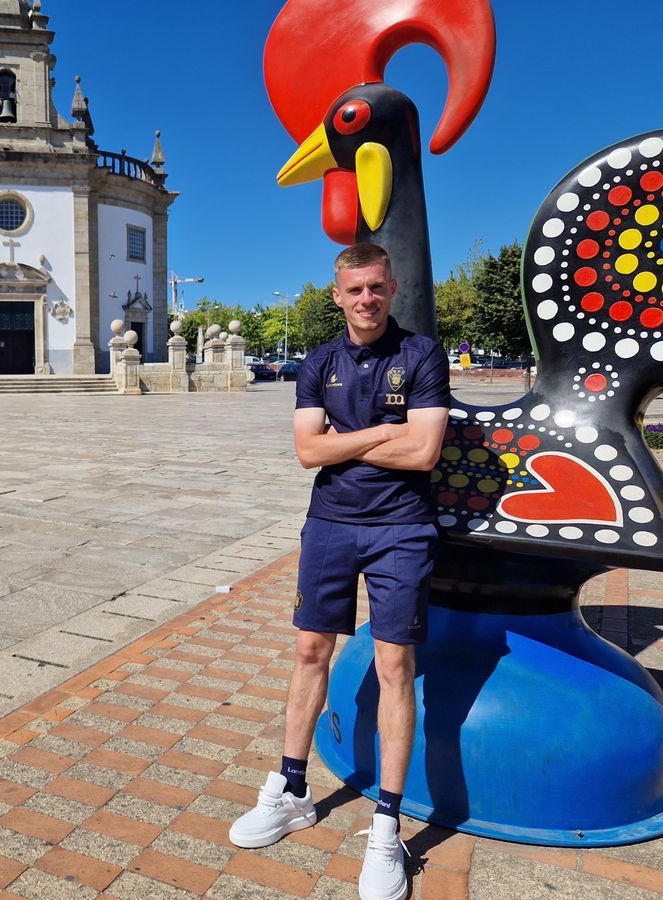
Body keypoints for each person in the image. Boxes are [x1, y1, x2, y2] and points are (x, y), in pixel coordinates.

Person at [229, 243, 450, 900]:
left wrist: (348, 442)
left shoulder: (422, 355)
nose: (365, 300)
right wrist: (384, 433)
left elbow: (427, 450)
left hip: (401, 529)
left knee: (393, 667)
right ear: (337, 295)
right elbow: (307, 451)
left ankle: (387, 828)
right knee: (308, 651)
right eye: (354, 290)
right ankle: (292, 789)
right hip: (328, 524)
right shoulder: (319, 361)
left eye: (376, 287)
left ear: (392, 286)